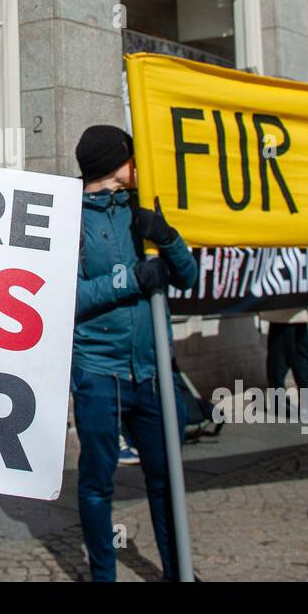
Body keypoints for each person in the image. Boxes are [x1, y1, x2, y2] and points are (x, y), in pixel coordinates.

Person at [72, 124, 195, 581]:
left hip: (153, 369)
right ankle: (104, 575)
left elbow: (187, 276)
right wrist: (130, 280)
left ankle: (178, 570)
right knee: (98, 483)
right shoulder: (70, 218)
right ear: (114, 164)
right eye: (132, 157)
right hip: (98, 371)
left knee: (166, 480)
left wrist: (166, 236)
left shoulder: (142, 210)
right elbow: (69, 298)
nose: (140, 166)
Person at [261, 307, 308, 418]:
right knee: (281, 349)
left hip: (298, 299)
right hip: (281, 300)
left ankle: (307, 399)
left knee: (301, 347)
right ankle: (278, 401)